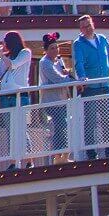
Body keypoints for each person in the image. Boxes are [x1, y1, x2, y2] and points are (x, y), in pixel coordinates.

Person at [72, 14, 109, 159]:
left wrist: (107, 68)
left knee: (107, 119)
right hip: (90, 87)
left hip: (104, 85)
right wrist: (83, 77)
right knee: (90, 120)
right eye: (84, 27)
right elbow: (79, 63)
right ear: (81, 29)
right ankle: (91, 152)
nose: (87, 28)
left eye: (89, 25)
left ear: (93, 24)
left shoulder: (101, 38)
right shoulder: (78, 43)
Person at [38, 32, 74, 161]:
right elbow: (58, 79)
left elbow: (63, 76)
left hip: (62, 99)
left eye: (56, 47)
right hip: (51, 101)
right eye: (52, 48)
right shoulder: (44, 63)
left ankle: (63, 156)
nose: (55, 50)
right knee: (59, 126)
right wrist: (72, 78)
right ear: (46, 50)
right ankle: (58, 156)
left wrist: (67, 73)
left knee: (61, 126)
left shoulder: (59, 61)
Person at [0, 31, 32, 110]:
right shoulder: (6, 57)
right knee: (7, 122)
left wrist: (2, 55)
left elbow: (13, 65)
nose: (4, 44)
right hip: (5, 96)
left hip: (20, 96)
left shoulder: (25, 52)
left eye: (5, 42)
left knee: (20, 122)